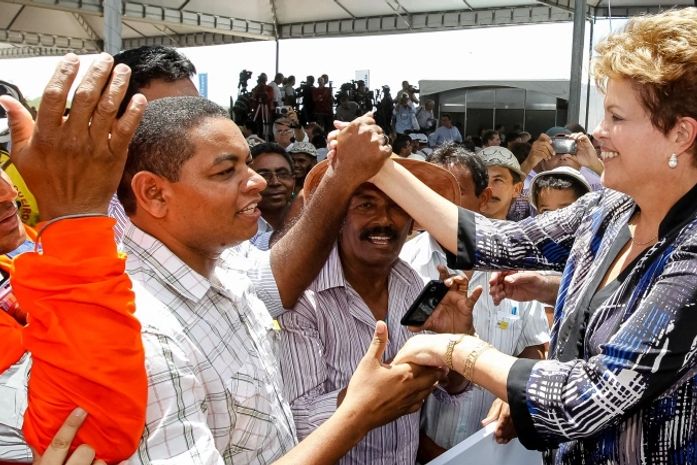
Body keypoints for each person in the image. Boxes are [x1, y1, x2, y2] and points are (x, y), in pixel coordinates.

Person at [359, 8, 697, 464]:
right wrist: (382, 170)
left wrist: (458, 349)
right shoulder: (609, 211)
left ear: (680, 134)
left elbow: (583, 397)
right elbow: (496, 242)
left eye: (616, 117)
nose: (597, 133)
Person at [0, 52, 149, 463]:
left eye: (5, 165)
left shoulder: (24, 252)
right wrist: (76, 221)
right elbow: (94, 433)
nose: (7, 193)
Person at [278, 156, 464, 465]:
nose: (384, 220)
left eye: (397, 206)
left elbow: (450, 388)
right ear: (338, 217)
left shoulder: (416, 285)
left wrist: (456, 341)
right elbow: (296, 423)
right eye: (366, 205)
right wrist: (374, 394)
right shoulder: (304, 299)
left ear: (413, 220)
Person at [399, 145, 548, 457]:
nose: (436, 202)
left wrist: (515, 397)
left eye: (453, 190)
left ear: (483, 199)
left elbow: (532, 347)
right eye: (430, 191)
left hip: (498, 448)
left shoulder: (516, 264)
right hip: (421, 447)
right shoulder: (405, 266)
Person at [249, 142, 295, 250]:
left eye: (283, 174)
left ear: (293, 180)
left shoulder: (306, 215)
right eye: (264, 175)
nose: (275, 182)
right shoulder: (238, 227)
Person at [477, 146, 525, 221]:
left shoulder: (521, 232)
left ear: (516, 189)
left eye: (498, 180)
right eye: (482, 179)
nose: (487, 187)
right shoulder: (455, 229)